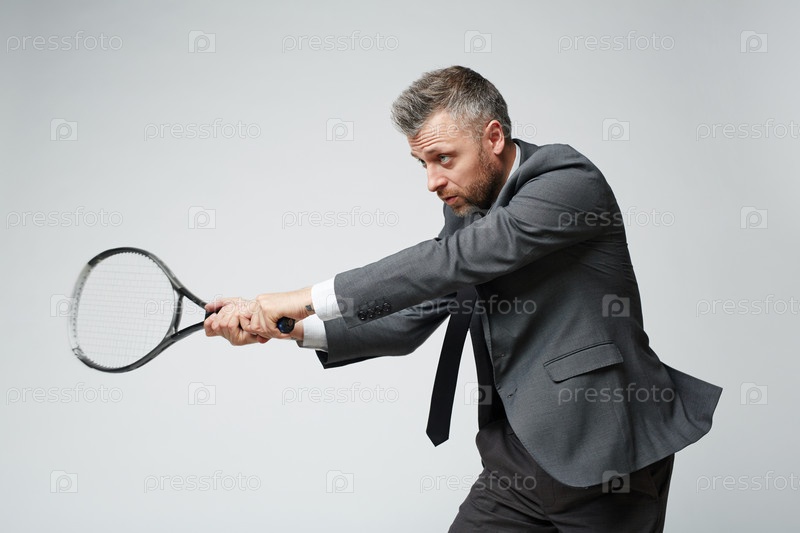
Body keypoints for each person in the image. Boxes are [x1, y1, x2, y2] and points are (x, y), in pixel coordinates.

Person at [204, 65, 722, 532]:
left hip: (604, 449)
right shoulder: (467, 209)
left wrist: (304, 297)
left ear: (493, 137)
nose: (432, 181)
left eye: (443, 159)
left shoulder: (567, 183)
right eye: (422, 163)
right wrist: (287, 328)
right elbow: (420, 310)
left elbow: (449, 262)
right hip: (516, 457)